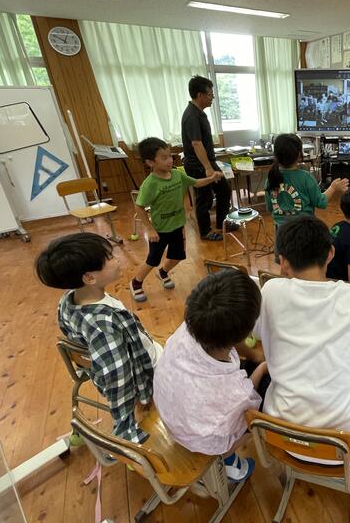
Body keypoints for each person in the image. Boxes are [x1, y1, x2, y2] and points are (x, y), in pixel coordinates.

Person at [254, 215, 350, 500]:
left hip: (281, 434)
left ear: (283, 262)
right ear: (331, 253)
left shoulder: (269, 291)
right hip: (347, 443)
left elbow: (253, 337)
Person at [35, 232, 160, 443]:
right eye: (110, 257)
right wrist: (125, 425)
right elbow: (118, 378)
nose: (117, 258)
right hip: (148, 371)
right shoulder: (104, 325)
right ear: (89, 278)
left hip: (117, 360)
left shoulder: (69, 299)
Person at [153, 269, 267, 482]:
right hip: (201, 440)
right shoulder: (235, 393)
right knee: (262, 412)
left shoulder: (191, 327)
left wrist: (254, 355)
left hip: (170, 411)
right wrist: (261, 367)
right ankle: (228, 459)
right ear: (248, 330)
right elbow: (246, 404)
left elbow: (231, 343)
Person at [130, 137, 222, 302]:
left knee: (178, 256)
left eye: (170, 156)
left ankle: (163, 272)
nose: (170, 160)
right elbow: (139, 206)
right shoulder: (150, 184)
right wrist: (149, 229)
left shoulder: (177, 174)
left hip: (177, 226)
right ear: (150, 162)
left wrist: (211, 178)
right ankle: (136, 282)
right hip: (160, 230)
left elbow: (195, 183)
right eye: (164, 158)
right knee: (153, 260)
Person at [181, 75, 234, 241]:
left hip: (206, 162)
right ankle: (205, 231)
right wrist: (208, 168)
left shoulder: (199, 113)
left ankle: (222, 222)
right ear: (200, 95)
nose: (212, 98)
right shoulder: (192, 115)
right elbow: (196, 143)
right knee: (204, 198)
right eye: (210, 94)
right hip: (198, 165)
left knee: (224, 190)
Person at [265, 133, 348, 230]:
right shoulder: (305, 177)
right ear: (299, 154)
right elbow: (321, 202)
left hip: (281, 231)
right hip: (304, 230)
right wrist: (333, 187)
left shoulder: (270, 178)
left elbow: (269, 208)